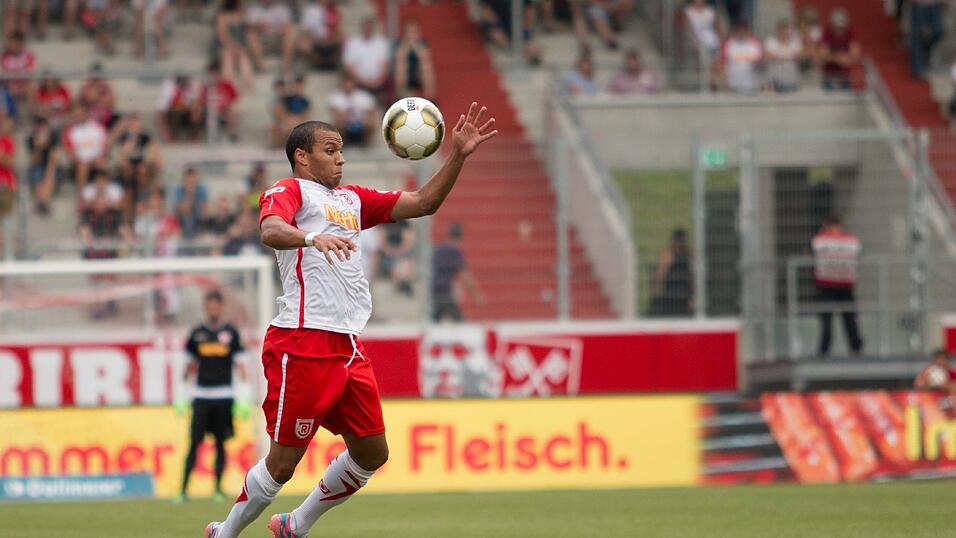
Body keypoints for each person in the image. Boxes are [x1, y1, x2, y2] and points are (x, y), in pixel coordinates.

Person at [202, 101, 497, 537]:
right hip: (301, 343)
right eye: (329, 149)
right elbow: (270, 230)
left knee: (372, 452)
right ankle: (224, 533)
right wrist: (310, 237)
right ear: (303, 156)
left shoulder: (352, 199)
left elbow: (423, 203)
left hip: (347, 346)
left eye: (341, 150)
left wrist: (458, 155)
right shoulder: (290, 190)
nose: (340, 157)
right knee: (282, 464)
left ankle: (295, 525)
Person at [177, 290, 250, 502]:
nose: (213, 309)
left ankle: (217, 489)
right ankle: (183, 490)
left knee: (220, 444)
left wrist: (244, 397)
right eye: (209, 306)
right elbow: (187, 366)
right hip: (201, 396)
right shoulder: (197, 334)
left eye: (216, 305)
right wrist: (181, 395)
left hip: (224, 396)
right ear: (205, 307)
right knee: (194, 443)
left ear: (220, 307)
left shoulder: (231, 334)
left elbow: (242, 366)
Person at [812, 214, 863, 356]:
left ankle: (824, 349)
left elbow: (813, 255)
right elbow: (858, 256)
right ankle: (856, 347)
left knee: (826, 319)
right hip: (846, 283)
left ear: (826, 224)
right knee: (849, 317)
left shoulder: (820, 240)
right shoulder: (852, 241)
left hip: (825, 283)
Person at [432, 223, 484, 322]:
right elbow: (465, 276)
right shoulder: (455, 251)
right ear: (461, 236)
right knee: (459, 323)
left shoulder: (439, 248)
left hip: (431, 291)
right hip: (444, 292)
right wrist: (477, 295)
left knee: (435, 322)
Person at [342, 17, 390, 97]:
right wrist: (363, 81)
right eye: (367, 27)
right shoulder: (352, 42)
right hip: (358, 81)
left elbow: (385, 65)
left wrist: (379, 80)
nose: (368, 29)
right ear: (362, 28)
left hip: (378, 80)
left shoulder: (381, 42)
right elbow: (348, 66)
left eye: (370, 27)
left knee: (390, 83)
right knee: (348, 82)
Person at [649, 228, 692, 317]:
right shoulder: (669, 255)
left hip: (684, 296)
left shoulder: (689, 255)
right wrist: (654, 295)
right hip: (670, 296)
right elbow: (660, 275)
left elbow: (691, 277)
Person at [245, 0, 297, 74]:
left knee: (291, 32)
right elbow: (249, 26)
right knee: (250, 34)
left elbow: (288, 26)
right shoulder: (254, 9)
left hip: (278, 39)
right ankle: (260, 65)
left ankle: (286, 64)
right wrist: (259, 27)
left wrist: (272, 29)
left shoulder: (281, 8)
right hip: (261, 39)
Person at [393, 19, 437, 102]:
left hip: (419, 75)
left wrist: (415, 45)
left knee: (427, 67)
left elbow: (424, 57)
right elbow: (400, 56)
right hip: (406, 76)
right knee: (400, 66)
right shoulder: (400, 43)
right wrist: (407, 44)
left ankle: (430, 99)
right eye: (409, 31)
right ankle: (400, 96)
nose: (412, 34)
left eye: (414, 31)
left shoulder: (422, 43)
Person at [327, 75, 377, 146]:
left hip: (360, 122)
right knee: (338, 124)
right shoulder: (335, 97)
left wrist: (365, 120)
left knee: (371, 123)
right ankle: (342, 143)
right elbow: (336, 113)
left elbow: (371, 112)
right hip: (345, 123)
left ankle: (365, 144)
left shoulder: (364, 96)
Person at [819, 8, 861, 90]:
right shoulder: (827, 33)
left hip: (845, 74)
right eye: (837, 27)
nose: (839, 30)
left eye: (841, 27)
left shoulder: (850, 33)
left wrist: (848, 59)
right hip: (829, 73)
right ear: (832, 25)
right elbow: (822, 52)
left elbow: (856, 52)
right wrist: (837, 58)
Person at [718, 21, 763, 95]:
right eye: (739, 30)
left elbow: (761, 63)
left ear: (747, 31)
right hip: (733, 84)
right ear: (735, 31)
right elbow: (722, 63)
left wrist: (758, 64)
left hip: (751, 84)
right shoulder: (728, 44)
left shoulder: (755, 44)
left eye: (744, 30)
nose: (741, 33)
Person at [26, 116, 60, 215]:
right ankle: (42, 202)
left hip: (51, 167)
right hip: (37, 167)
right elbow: (35, 162)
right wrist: (38, 148)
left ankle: (43, 201)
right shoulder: (31, 139)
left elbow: (53, 160)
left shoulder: (53, 138)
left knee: (48, 179)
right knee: (37, 176)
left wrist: (48, 175)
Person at [299, 0, 341, 71]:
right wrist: (317, 39)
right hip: (315, 40)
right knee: (303, 45)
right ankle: (317, 63)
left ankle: (331, 64)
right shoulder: (310, 11)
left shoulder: (333, 10)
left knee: (345, 40)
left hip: (330, 40)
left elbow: (337, 29)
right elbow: (306, 31)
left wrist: (331, 38)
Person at [765, 19, 804, 93]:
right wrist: (789, 55)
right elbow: (768, 56)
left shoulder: (795, 42)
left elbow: (800, 56)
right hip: (775, 80)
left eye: (787, 31)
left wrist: (779, 55)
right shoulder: (770, 42)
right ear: (778, 31)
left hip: (792, 80)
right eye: (783, 31)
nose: (786, 33)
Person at [175, 167, 209, 239]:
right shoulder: (179, 190)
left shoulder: (202, 190)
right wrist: (189, 194)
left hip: (199, 220)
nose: (191, 183)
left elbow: (204, 213)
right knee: (188, 219)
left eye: (193, 180)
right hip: (183, 221)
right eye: (188, 180)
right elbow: (182, 212)